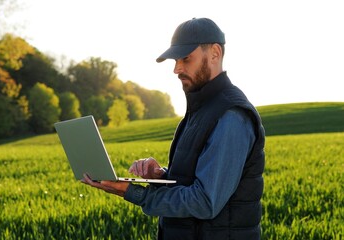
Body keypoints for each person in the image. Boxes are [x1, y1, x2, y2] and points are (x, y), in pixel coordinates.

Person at [82, 17, 265, 240]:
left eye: (186, 59)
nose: (177, 69)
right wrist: (161, 176)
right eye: (176, 60)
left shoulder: (231, 115)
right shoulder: (202, 110)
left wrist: (133, 192)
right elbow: (198, 179)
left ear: (215, 53)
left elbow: (205, 201)